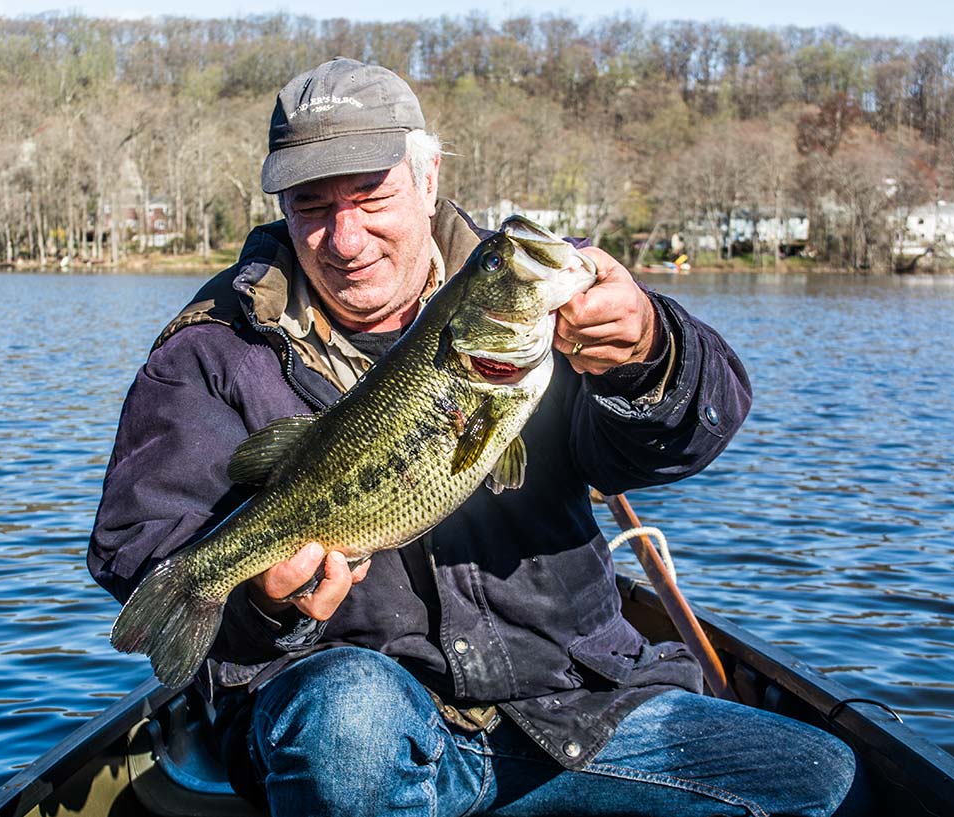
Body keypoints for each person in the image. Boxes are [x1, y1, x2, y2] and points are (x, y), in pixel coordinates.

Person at [89, 58, 866, 817]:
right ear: (282, 207)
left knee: (823, 777)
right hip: (356, 722)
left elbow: (687, 435)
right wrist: (266, 604)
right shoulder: (211, 348)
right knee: (348, 722)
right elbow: (138, 543)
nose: (345, 236)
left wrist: (649, 352)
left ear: (428, 181)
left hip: (576, 706)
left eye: (370, 194)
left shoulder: (526, 297)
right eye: (312, 204)